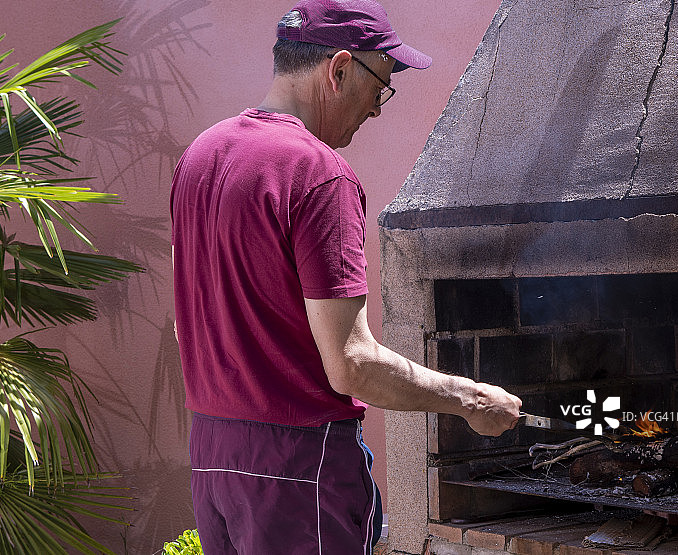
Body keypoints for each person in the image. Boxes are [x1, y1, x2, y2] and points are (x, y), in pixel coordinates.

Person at [170, 1, 523, 553]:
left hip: (214, 458)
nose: (378, 110)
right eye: (380, 85)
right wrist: (469, 398)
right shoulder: (317, 174)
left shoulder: (200, 156)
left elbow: (188, 325)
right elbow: (352, 365)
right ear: (338, 70)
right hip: (300, 466)